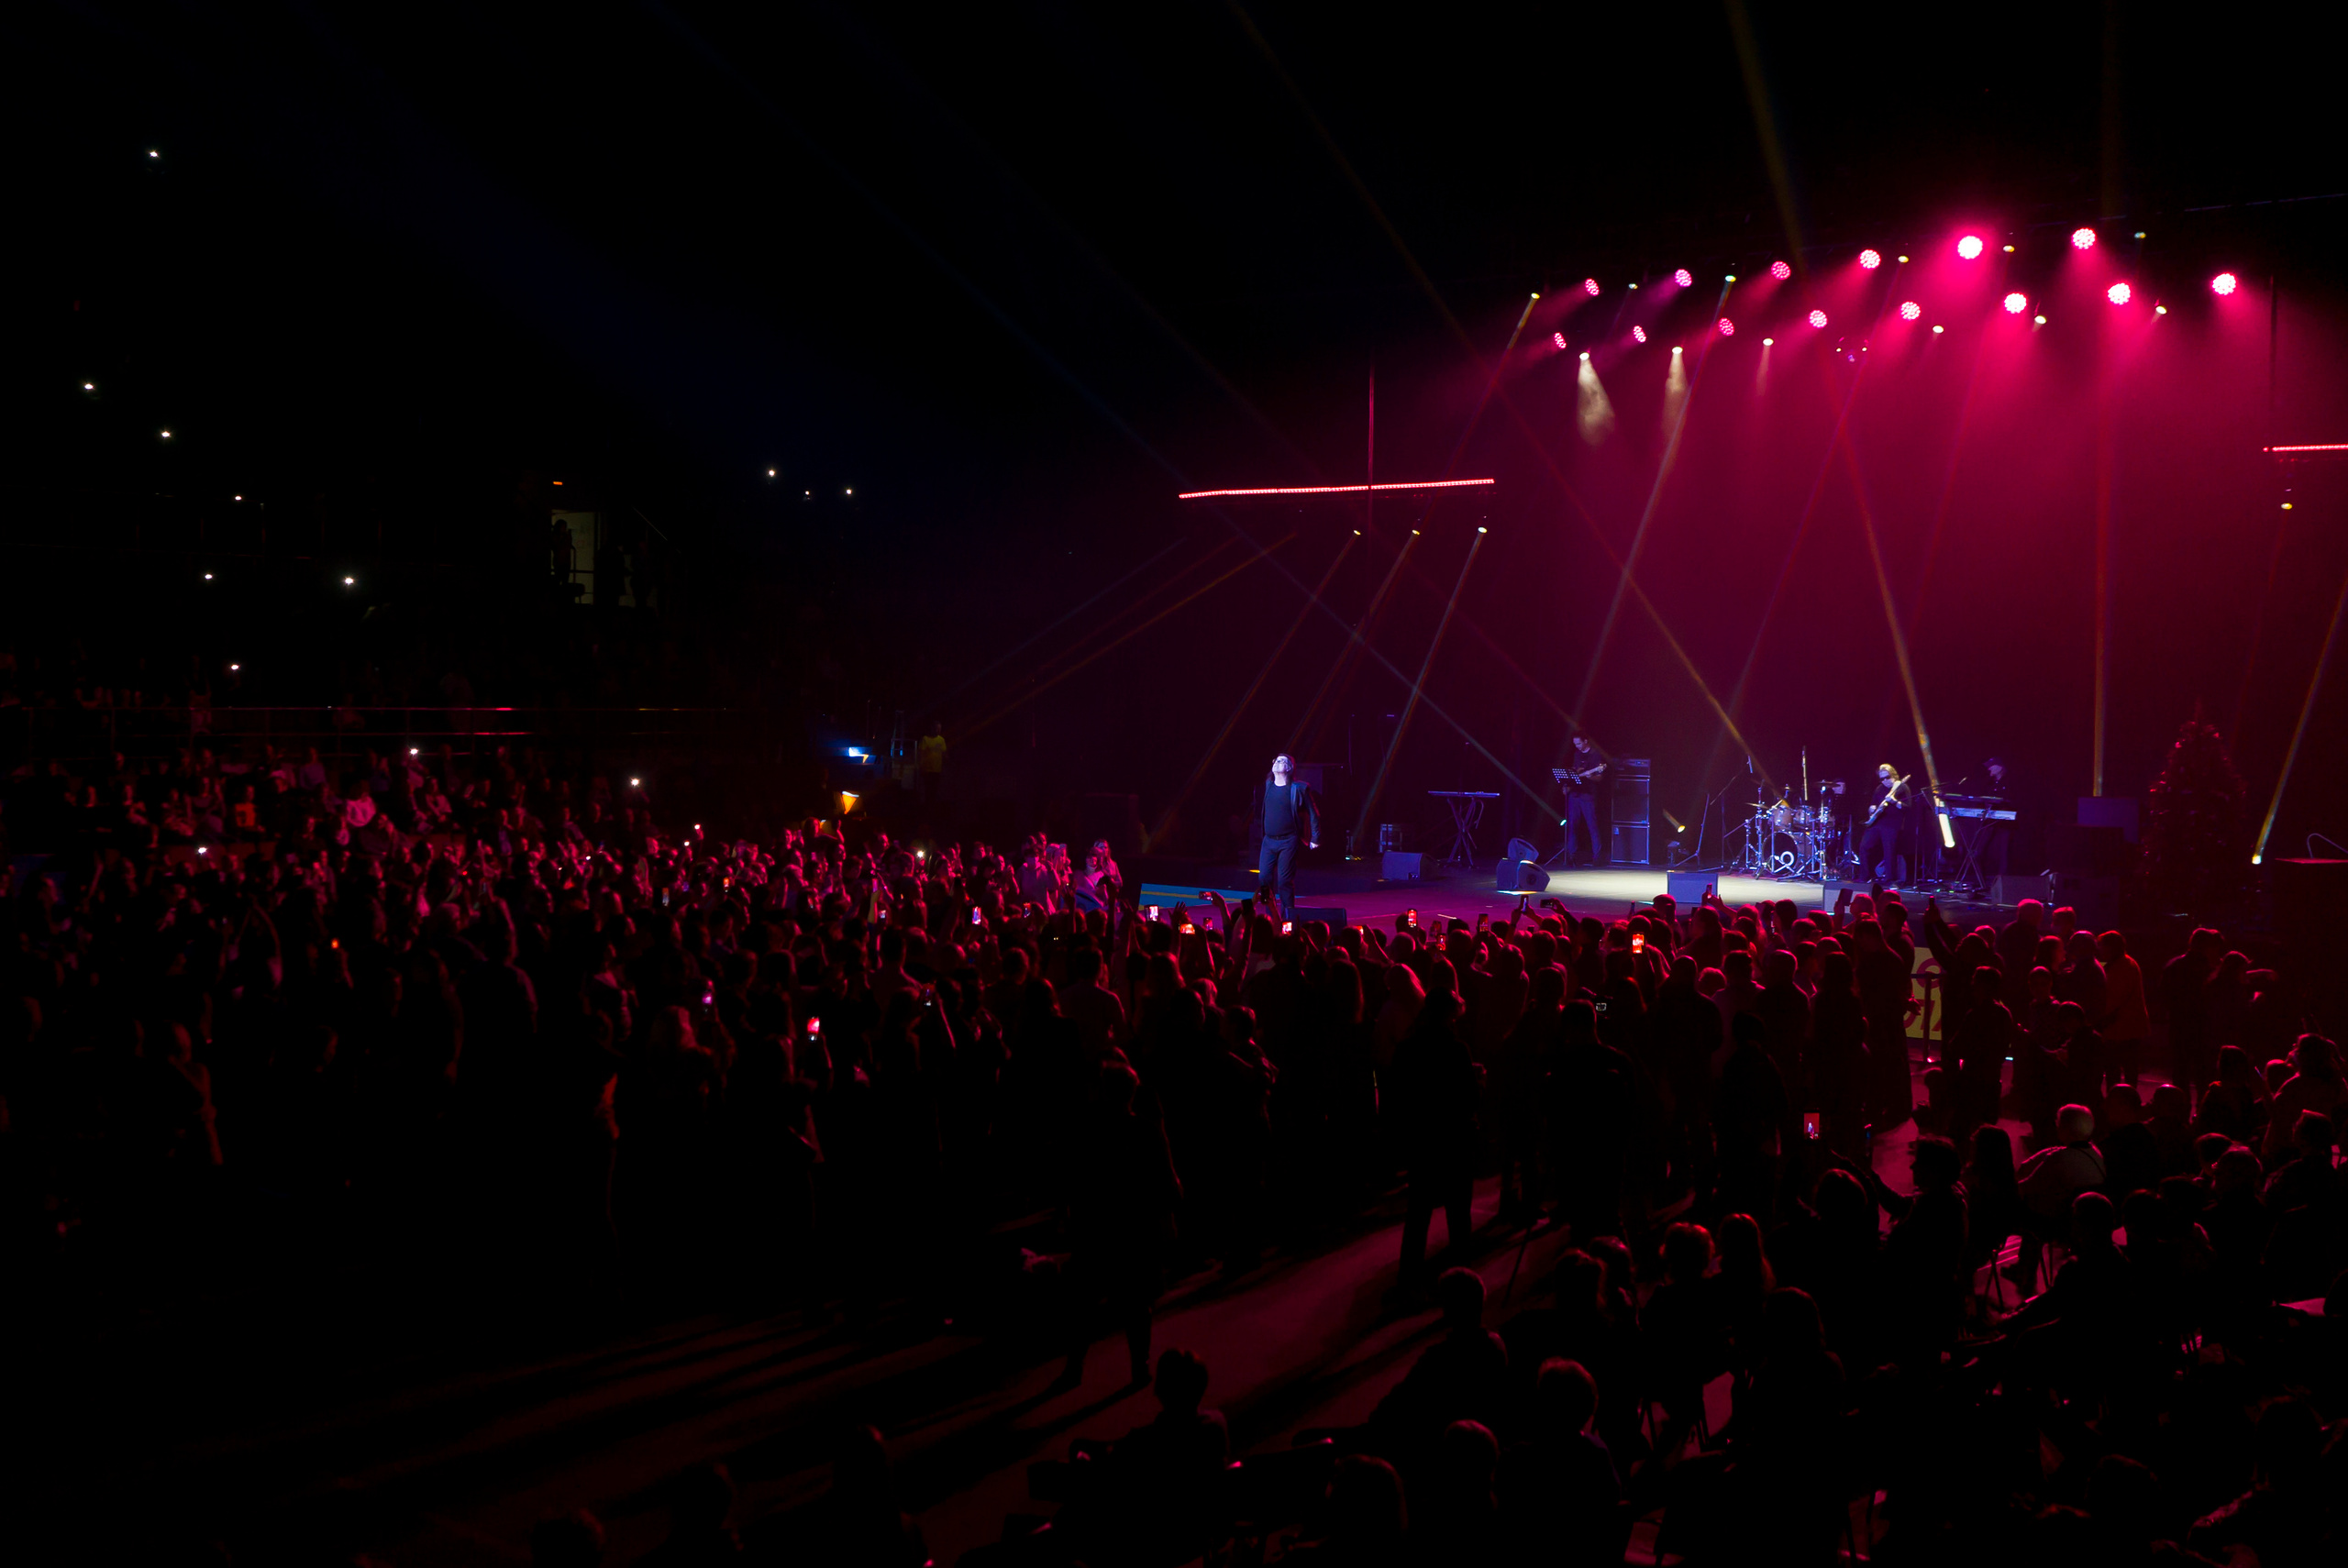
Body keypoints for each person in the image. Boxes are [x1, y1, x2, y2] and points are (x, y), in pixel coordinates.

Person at [1254, 754, 1320, 924]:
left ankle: (1288, 918)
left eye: (1283, 761)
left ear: (1290, 768)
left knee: (1284, 881)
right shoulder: (1268, 785)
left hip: (1288, 841)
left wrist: (1315, 837)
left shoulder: (1299, 788)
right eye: (1276, 760)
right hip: (1269, 841)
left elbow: (1313, 813)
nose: (1278, 762)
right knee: (1264, 879)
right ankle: (1270, 917)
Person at [1856, 763, 1911, 885]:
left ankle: (1890, 880)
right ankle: (1865, 877)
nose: (1885, 781)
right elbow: (1873, 804)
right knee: (1864, 846)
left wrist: (1895, 802)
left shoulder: (1902, 787)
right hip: (1877, 822)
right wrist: (1871, 808)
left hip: (1892, 824)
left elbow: (1908, 807)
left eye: (1887, 777)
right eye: (1882, 779)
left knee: (1889, 850)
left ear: (1894, 775)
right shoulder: (1879, 788)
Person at [1557, 734, 1606, 867]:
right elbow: (1575, 772)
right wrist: (1567, 786)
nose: (1577, 746)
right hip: (1575, 794)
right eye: (1575, 744)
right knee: (1572, 825)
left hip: (1587, 795)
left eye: (1579, 744)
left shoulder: (1596, 755)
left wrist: (1590, 776)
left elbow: (1599, 777)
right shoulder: (1577, 754)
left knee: (1592, 826)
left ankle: (1597, 857)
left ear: (1585, 741)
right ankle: (1571, 856)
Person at [915, 719, 947, 809]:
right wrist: (921, 766)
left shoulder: (941, 740)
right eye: (937, 729)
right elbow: (921, 753)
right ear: (933, 729)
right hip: (928, 770)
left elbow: (944, 753)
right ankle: (927, 807)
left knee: (935, 790)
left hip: (937, 770)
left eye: (940, 729)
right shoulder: (925, 739)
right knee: (927, 790)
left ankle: (932, 807)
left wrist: (948, 762)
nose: (938, 731)